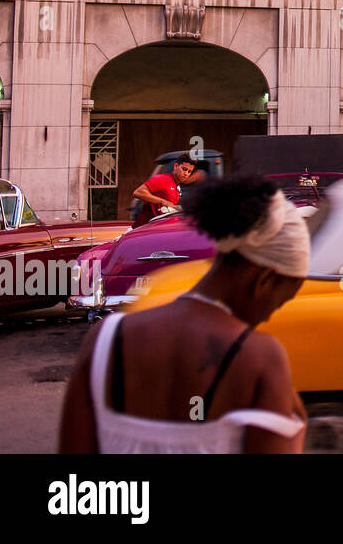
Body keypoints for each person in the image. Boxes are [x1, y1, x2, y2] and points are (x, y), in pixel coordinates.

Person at [58, 175, 310, 453]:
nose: (269, 316)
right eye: (280, 300)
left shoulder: (104, 340)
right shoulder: (261, 358)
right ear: (264, 280)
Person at [131, 155, 199, 227]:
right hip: (142, 229)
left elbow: (168, 208)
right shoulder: (162, 179)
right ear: (176, 166)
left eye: (189, 172)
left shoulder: (177, 188)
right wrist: (162, 201)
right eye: (184, 169)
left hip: (157, 228)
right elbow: (138, 193)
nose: (186, 174)